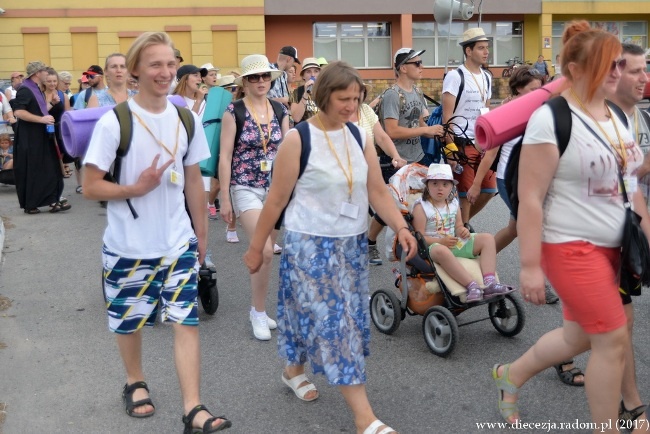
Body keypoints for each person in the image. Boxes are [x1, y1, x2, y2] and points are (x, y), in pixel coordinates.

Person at [243, 60, 417, 434]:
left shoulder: (358, 134)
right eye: (343, 98)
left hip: (350, 245)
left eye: (356, 98)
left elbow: (375, 189)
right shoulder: (299, 139)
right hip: (309, 245)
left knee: (307, 312)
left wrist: (401, 225)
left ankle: (293, 370)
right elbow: (275, 201)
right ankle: (364, 417)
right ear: (323, 96)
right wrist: (257, 248)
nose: (351, 105)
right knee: (337, 325)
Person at [493, 21, 649, 431]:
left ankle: (511, 376)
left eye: (619, 63)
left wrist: (646, 229)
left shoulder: (616, 115)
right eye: (607, 65)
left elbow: (628, 181)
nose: (616, 72)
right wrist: (529, 265)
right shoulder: (551, 119)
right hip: (569, 246)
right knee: (612, 340)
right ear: (576, 70)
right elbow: (529, 197)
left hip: (613, 245)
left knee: (578, 338)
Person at [82, 31, 231, 433]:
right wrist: (134, 188)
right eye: (155, 65)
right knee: (129, 322)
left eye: (170, 63)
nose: (165, 72)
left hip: (177, 242)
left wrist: (202, 236)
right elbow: (90, 185)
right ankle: (134, 381)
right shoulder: (116, 122)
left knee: (186, 320)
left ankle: (193, 408)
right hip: (128, 245)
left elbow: (195, 181)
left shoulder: (185, 118)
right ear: (135, 71)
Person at [219, 54, 288, 341]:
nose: (261, 82)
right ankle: (257, 311)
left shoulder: (280, 110)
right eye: (254, 77)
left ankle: (259, 309)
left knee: (268, 251)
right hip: (244, 186)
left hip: (275, 189)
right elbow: (224, 156)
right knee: (265, 250)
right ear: (244, 82)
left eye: (265, 77)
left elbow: (289, 150)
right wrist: (224, 196)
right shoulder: (233, 111)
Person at [367, 47, 444, 265]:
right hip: (395, 159)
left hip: (417, 156)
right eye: (417, 63)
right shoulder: (392, 95)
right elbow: (391, 131)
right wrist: (425, 130)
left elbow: (421, 123)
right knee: (392, 206)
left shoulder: (418, 92)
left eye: (421, 63)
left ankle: (415, 245)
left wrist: (435, 129)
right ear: (402, 68)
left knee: (416, 204)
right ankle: (370, 242)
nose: (422, 67)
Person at [607, 41, 649, 426]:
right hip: (606, 239)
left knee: (587, 332)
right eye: (636, 70)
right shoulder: (601, 120)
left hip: (631, 231)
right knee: (620, 326)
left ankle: (515, 373)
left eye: (645, 69)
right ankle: (632, 405)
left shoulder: (637, 115)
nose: (644, 78)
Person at [412, 163, 514, 302]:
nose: (440, 188)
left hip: (454, 242)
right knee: (442, 251)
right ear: (427, 186)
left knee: (488, 239)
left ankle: (490, 283)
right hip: (433, 246)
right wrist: (441, 241)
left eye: (445, 184)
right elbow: (420, 237)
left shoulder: (453, 203)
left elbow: (459, 225)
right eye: (434, 183)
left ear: (451, 187)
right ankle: (471, 285)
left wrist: (463, 231)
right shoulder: (422, 207)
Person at [442, 28, 496, 231]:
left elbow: (486, 111)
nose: (486, 52)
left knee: (489, 189)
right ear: (468, 50)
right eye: (481, 48)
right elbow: (448, 117)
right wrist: (451, 149)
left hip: (483, 142)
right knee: (464, 192)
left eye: (486, 48)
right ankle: (462, 232)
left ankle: (459, 225)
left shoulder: (487, 77)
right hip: (461, 142)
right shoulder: (455, 76)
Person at [12, 61, 70, 214]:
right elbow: (18, 112)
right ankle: (31, 204)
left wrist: (51, 104)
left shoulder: (35, 88)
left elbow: (39, 110)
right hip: (29, 137)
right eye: (44, 71)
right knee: (33, 170)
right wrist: (42, 120)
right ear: (37, 73)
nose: (47, 73)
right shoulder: (25, 90)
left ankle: (53, 200)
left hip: (40, 135)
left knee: (49, 168)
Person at [43, 68, 73, 178]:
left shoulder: (62, 95)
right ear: (44, 82)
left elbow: (68, 114)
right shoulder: (40, 95)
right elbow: (39, 113)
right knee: (47, 159)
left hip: (59, 130)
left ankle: (57, 183)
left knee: (59, 157)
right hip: (44, 129)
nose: (52, 84)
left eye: (54, 81)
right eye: (49, 81)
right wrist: (52, 103)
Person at [289, 57, 321, 124]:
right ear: (303, 76)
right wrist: (305, 94)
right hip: (303, 132)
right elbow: (296, 118)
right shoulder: (295, 92)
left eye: (316, 71)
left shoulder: (326, 92)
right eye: (308, 72)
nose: (313, 75)